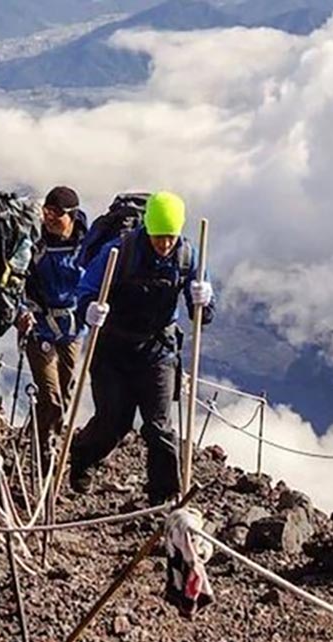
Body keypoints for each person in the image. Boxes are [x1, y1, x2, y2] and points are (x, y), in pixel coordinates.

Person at [68, 190, 214, 506]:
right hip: (113, 351)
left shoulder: (187, 257)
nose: (164, 244)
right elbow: (85, 291)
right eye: (158, 236)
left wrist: (205, 300)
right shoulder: (118, 252)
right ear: (147, 228)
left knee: (159, 426)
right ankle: (81, 458)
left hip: (158, 351)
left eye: (170, 237)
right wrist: (89, 309)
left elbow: (202, 312)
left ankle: (164, 497)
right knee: (114, 421)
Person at [16, 186, 88, 472]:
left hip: (72, 328)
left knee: (66, 391)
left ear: (71, 215)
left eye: (56, 214)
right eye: (46, 212)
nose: (49, 219)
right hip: (39, 325)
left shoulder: (87, 245)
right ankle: (46, 448)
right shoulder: (34, 242)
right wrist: (20, 312)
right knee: (50, 394)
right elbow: (17, 278)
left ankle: (42, 433)